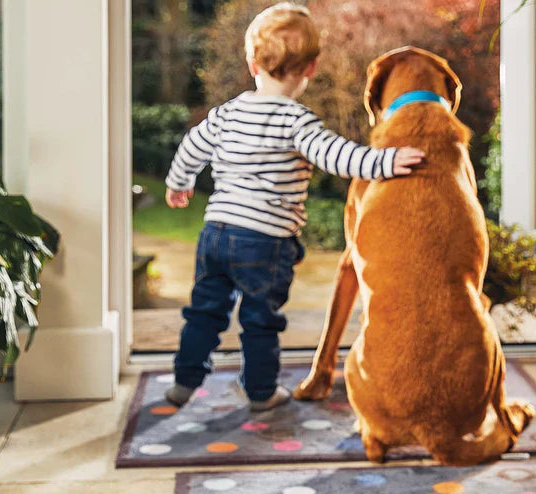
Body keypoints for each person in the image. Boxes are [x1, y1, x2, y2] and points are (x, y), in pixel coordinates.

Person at [163, 2, 425, 411]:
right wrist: (387, 161)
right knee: (259, 320)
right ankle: (262, 392)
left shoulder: (226, 114)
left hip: (215, 234)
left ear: (252, 62)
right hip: (263, 243)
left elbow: (191, 148)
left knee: (204, 312)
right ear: (311, 68)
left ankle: (184, 381)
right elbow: (340, 157)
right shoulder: (296, 122)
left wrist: (178, 184)